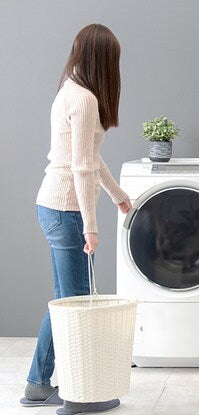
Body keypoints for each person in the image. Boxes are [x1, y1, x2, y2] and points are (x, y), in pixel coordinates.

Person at [20, 24, 132, 415]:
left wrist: (117, 195)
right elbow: (82, 168)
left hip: (52, 205)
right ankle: (79, 396)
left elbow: (89, 156)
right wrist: (91, 225)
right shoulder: (84, 99)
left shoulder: (69, 89)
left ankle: (38, 384)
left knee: (66, 302)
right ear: (105, 61)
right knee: (77, 305)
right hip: (66, 211)